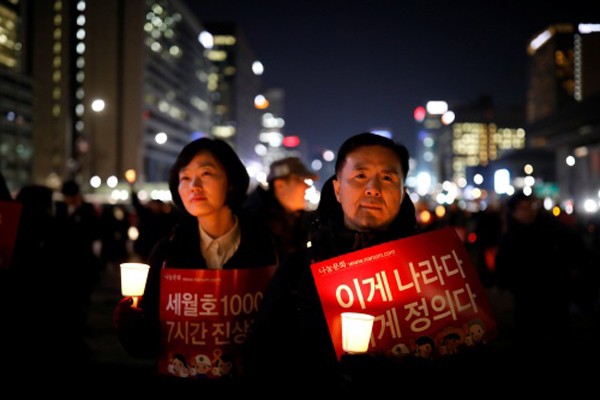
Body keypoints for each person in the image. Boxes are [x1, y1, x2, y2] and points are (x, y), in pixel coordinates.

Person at [241, 132, 422, 394]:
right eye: (360, 176)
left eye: (387, 177)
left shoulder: (430, 269)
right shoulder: (298, 270)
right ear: (337, 189)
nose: (373, 188)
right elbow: (263, 356)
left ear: (403, 193)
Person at [113, 137, 278, 392]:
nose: (194, 186)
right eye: (185, 178)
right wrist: (130, 324)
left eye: (206, 173)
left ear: (231, 182)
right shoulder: (167, 252)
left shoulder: (269, 249)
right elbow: (147, 346)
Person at [494, 192, 589, 358]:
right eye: (524, 208)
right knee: (530, 339)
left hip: (554, 290)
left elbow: (574, 242)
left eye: (531, 206)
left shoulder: (550, 225)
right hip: (526, 295)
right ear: (514, 212)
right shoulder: (510, 236)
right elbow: (503, 264)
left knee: (560, 335)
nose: (529, 211)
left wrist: (570, 267)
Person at [244, 156, 318, 263]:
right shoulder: (250, 226)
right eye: (300, 180)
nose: (307, 186)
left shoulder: (301, 222)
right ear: (280, 185)